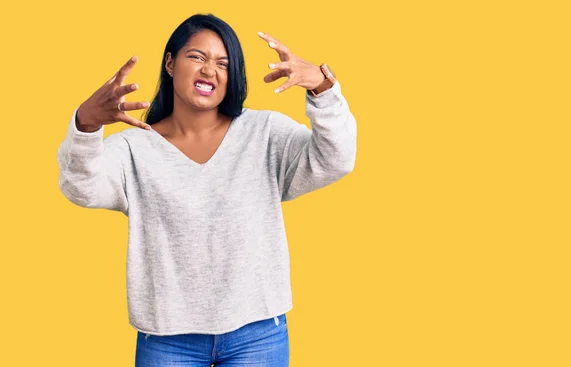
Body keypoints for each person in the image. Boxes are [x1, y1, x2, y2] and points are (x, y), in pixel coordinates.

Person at [57, 13, 357, 367]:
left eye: (223, 63)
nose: (209, 70)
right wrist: (86, 124)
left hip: (258, 333)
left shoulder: (264, 134)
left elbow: (336, 159)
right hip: (167, 339)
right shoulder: (135, 148)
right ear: (170, 63)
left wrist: (323, 88)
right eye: (197, 57)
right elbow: (80, 186)